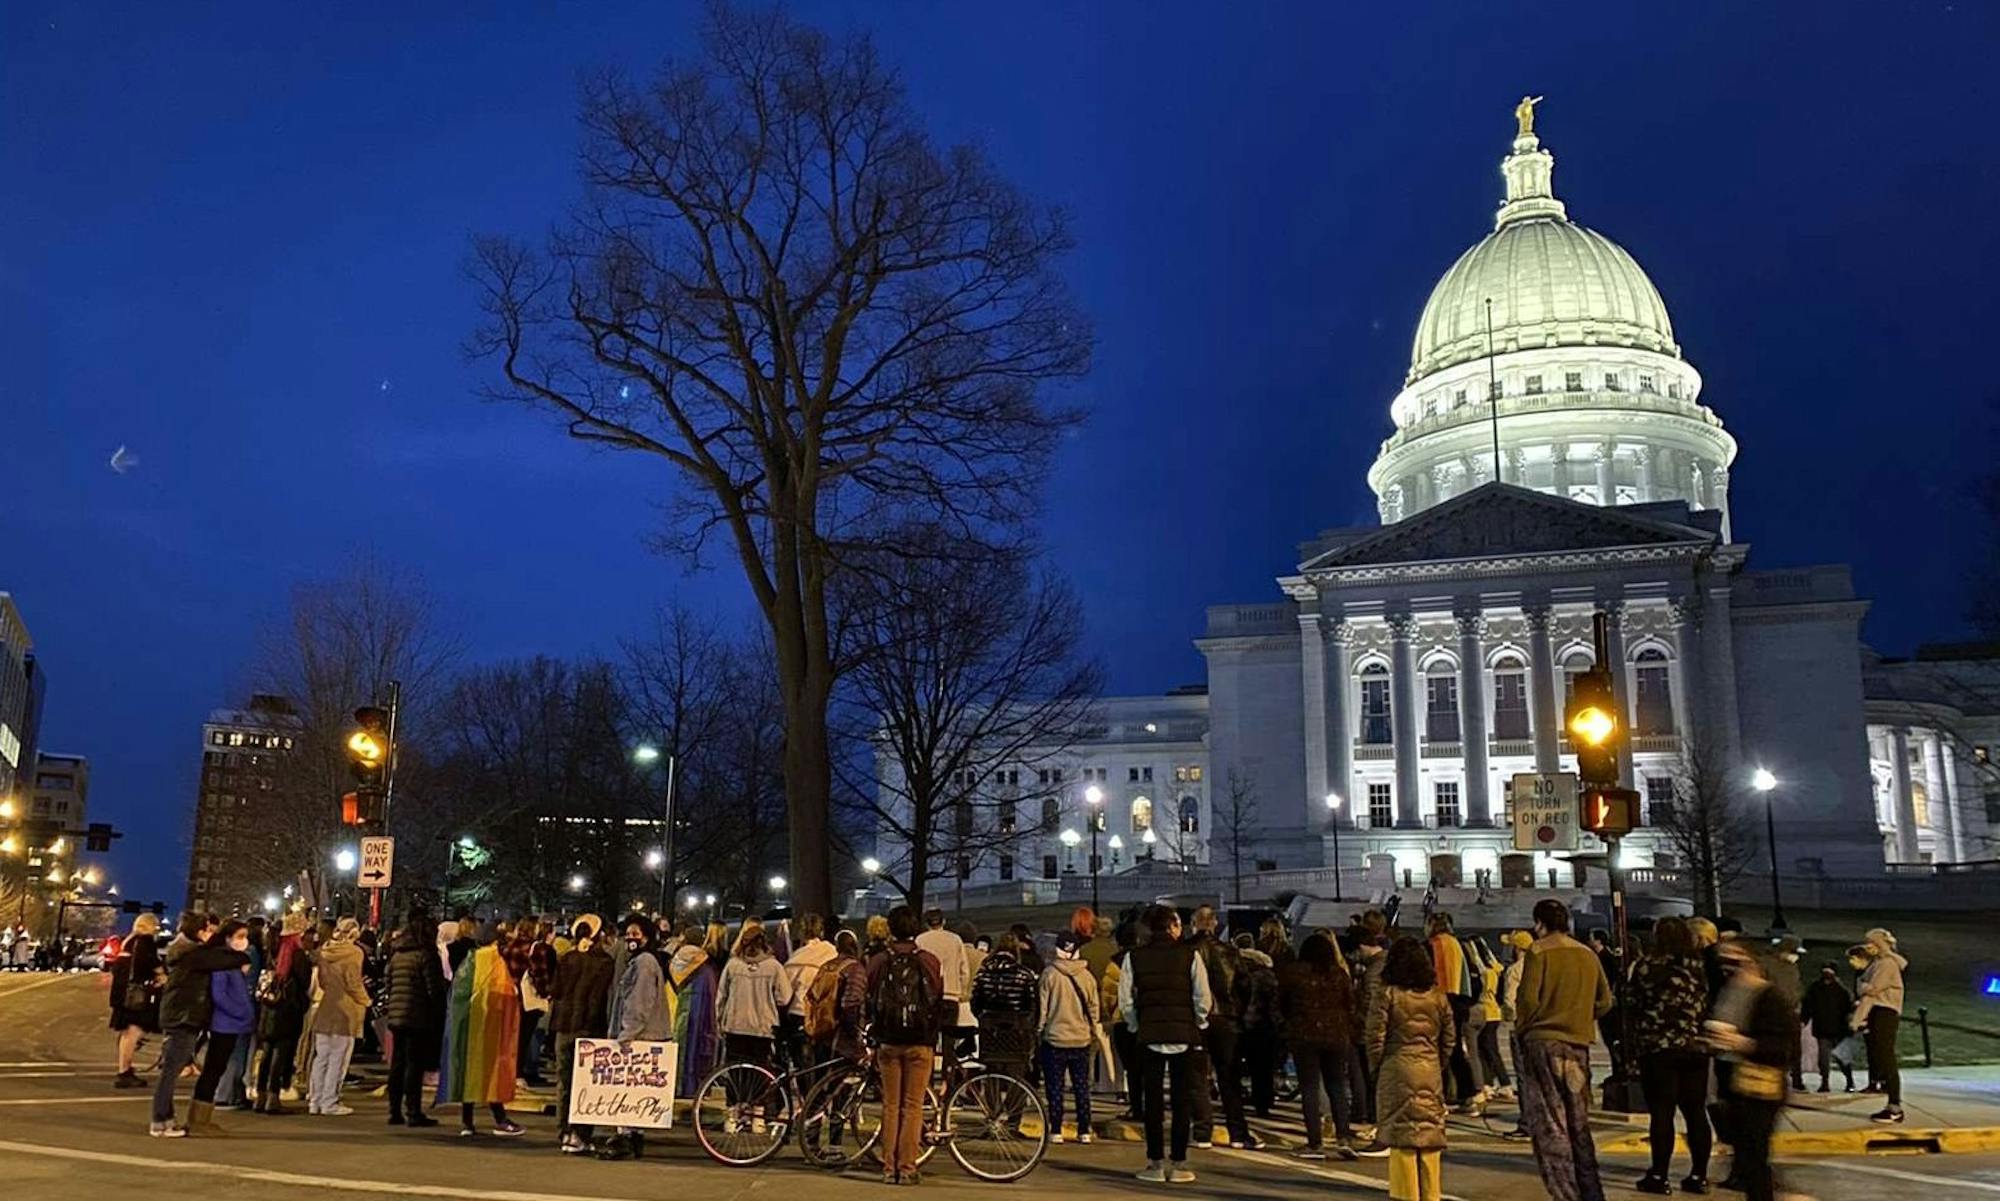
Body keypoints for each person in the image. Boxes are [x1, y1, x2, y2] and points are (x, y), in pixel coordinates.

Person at [1513, 898, 1613, 1201]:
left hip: (1543, 1042)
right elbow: (1605, 1001)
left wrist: (1524, 1026)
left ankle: (1566, 1193)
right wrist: (1580, 1015)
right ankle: (1591, 1191)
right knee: (1579, 1123)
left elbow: (1528, 1000)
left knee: (1551, 1124)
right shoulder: (1586, 954)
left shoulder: (1539, 951)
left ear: (1539, 923)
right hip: (1578, 1045)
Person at [1120, 903, 1210, 1184]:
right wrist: (1198, 1022)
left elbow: (1126, 1001)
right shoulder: (1190, 955)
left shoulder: (1133, 957)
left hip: (1150, 1033)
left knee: (1153, 1102)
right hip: (1183, 1033)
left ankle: (1155, 1161)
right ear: (1172, 926)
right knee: (1182, 1101)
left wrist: (1137, 1025)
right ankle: (1179, 1162)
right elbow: (1202, 996)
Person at [1623, 916, 1713, 1196]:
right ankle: (1699, 1174)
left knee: (1662, 1112)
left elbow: (1631, 1002)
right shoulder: (1699, 966)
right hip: (1694, 1046)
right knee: (1695, 1111)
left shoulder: (1648, 965)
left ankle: (1659, 1174)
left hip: (1658, 1047)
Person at [1704, 940, 1799, 1201]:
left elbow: (1783, 1047)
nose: (1729, 966)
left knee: (1754, 1156)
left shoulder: (1769, 998)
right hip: (1732, 1083)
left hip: (1760, 1086)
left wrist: (1742, 1043)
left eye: (1736, 959)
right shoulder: (1728, 992)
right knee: (1746, 1155)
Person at [1367, 936, 1453, 1201]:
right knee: (1429, 1136)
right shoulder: (1438, 996)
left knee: (1402, 1140)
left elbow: (1375, 1037)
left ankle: (1406, 1195)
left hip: (1396, 1066)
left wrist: (1377, 1068)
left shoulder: (1387, 993)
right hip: (1429, 1066)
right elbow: (1449, 1037)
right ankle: (1431, 1194)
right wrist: (1436, 1061)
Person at [866, 905, 945, 1187]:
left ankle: (889, 1167)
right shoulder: (929, 960)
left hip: (888, 1040)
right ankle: (908, 1167)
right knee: (913, 1106)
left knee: (890, 1105)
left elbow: (870, 995)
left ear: (891, 929)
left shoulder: (877, 961)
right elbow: (937, 996)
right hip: (919, 1041)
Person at [150, 915, 250, 1137]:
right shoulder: (192, 954)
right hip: (183, 1017)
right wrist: (241, 958)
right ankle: (160, 1121)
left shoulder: (190, 952)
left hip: (185, 1016)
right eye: (208, 930)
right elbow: (219, 962)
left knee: (172, 1070)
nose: (211, 934)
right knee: (171, 1071)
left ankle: (165, 1119)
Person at [1282, 931, 1362, 1161]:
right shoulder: (1339, 975)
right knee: (1337, 1086)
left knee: (1309, 1087)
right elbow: (1351, 1004)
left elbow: (1284, 1002)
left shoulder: (1295, 974)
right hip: (1337, 1035)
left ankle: (1314, 1142)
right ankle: (1344, 1137)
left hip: (1304, 1035)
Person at [440, 918, 524, 1137]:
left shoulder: (470, 960)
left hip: (469, 1027)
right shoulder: (496, 962)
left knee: (470, 1071)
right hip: (492, 1027)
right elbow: (505, 994)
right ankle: (501, 1119)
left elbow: (458, 993)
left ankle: (467, 1123)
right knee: (492, 1071)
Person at [1184, 904, 1258, 1150]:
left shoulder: (1185, 951)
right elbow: (1245, 985)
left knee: (1197, 1078)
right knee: (1229, 1078)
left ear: (1194, 924)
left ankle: (1202, 1131)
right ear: (1215, 924)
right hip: (1226, 1018)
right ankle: (1238, 1131)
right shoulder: (1229, 952)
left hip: (1195, 1019)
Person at [598, 914, 671, 1160]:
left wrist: (625, 1034)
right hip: (646, 1033)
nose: (630, 937)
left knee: (628, 1088)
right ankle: (633, 1137)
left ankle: (626, 1137)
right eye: (627, 933)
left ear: (646, 937)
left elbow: (639, 1003)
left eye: (635, 933)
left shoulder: (644, 963)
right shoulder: (643, 961)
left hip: (640, 1036)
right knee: (637, 1091)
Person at [549, 914, 613, 1153]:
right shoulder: (604, 962)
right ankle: (580, 1133)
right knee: (585, 1083)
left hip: (563, 1026)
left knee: (564, 1081)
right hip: (588, 1028)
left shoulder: (567, 958)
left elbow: (554, 989)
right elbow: (598, 999)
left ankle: (564, 1131)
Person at [187, 920, 256, 1135]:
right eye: (239, 936)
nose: (243, 941)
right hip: (225, 1024)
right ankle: (199, 1120)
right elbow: (221, 996)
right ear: (228, 937)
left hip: (232, 1023)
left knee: (216, 1069)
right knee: (213, 1070)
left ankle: (201, 1117)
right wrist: (241, 1012)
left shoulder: (229, 962)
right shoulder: (221, 963)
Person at [382, 915, 447, 1128]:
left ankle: (394, 1110)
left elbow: (389, 983)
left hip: (397, 1014)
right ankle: (413, 1110)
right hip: (418, 1015)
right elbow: (434, 989)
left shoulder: (398, 954)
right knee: (414, 1065)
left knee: (398, 1064)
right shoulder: (426, 955)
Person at [970, 930, 1040, 1124]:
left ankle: (992, 1114)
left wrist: (984, 1017)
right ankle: (1013, 1117)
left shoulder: (984, 972)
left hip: (990, 1030)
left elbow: (975, 1002)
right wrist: (1031, 1029)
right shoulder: (1023, 974)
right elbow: (1032, 1006)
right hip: (1016, 1031)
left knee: (991, 1074)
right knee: (1018, 1076)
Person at [1039, 929, 1100, 1144]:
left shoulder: (1050, 975)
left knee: (1055, 1088)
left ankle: (1056, 1129)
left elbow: (1043, 1010)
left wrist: (1039, 1031)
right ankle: (1084, 1129)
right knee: (1081, 1086)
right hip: (1081, 1039)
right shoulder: (1087, 976)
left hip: (1055, 1038)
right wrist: (1093, 1030)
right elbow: (1094, 1008)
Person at [306, 917, 370, 1117]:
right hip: (346, 1011)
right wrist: (366, 1001)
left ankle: (315, 1100)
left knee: (321, 1057)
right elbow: (353, 982)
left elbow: (323, 982)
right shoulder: (354, 953)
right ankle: (330, 1101)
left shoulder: (325, 951)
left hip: (326, 1007)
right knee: (338, 1059)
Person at [253, 912, 312, 1114]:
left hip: (269, 1008)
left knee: (266, 1054)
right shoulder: (297, 954)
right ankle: (273, 1096)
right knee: (281, 1054)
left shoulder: (273, 951)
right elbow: (305, 982)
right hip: (287, 1009)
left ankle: (260, 1095)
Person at [717, 920, 794, 1069]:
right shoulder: (774, 967)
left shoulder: (733, 965)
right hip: (762, 1028)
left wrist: (720, 1021)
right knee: (759, 1072)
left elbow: (721, 997)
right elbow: (784, 998)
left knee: (736, 1071)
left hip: (735, 1026)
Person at [1852, 927, 1907, 1124]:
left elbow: (1872, 990)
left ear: (1880, 945)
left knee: (1886, 1057)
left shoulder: (1887, 965)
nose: (1867, 947)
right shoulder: (1878, 964)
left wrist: (1863, 986)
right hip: (1879, 1012)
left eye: (1871, 943)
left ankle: (1895, 1107)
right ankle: (1890, 1101)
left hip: (1885, 1012)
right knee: (1881, 1056)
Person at [1425, 913, 1478, 1111]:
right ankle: (1468, 1093)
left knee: (1438, 1050)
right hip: (1460, 1002)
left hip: (1440, 1001)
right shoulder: (1459, 945)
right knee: (1455, 1050)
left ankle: (1443, 1094)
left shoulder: (1431, 945)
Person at [669, 921, 725, 1099]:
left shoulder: (674, 962)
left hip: (677, 1015)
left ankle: (675, 1086)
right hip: (699, 1017)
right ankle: (692, 1088)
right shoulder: (705, 967)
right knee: (697, 1050)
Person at [110, 912, 163, 1089]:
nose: (157, 929)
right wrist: (161, 975)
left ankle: (124, 1068)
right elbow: (149, 964)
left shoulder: (129, 941)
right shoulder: (146, 942)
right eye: (155, 925)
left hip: (122, 993)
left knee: (127, 1034)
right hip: (136, 996)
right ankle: (125, 1071)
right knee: (133, 1032)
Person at [1234, 932, 1282, 1119]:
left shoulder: (1235, 971)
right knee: (1263, 1068)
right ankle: (1263, 1102)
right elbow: (1274, 1002)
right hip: (1264, 1025)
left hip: (1240, 1024)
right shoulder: (1266, 973)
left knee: (1233, 1068)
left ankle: (1236, 1101)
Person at [781, 913, 836, 1071]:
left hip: (798, 1013)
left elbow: (785, 991)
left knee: (801, 1063)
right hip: (823, 1014)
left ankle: (805, 1093)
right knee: (822, 1061)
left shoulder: (795, 960)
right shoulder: (832, 954)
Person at [916, 908, 970, 1058]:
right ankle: (949, 1075)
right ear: (943, 922)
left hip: (928, 998)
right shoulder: (955, 940)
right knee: (949, 1042)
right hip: (951, 995)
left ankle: (929, 1076)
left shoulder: (920, 940)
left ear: (926, 923)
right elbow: (964, 970)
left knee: (928, 1042)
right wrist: (962, 991)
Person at [1498, 928, 1534, 1143]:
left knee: (1524, 1077)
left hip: (1520, 1028)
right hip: (1538, 1027)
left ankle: (1527, 1123)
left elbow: (1510, 1003)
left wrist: (1507, 1017)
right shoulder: (1540, 966)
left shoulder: (1515, 970)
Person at [1801, 962, 1856, 1093]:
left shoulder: (1841, 990)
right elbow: (1808, 1006)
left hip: (1840, 1030)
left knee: (1843, 1059)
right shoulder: (1815, 988)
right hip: (1823, 1030)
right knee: (1823, 1060)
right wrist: (1803, 1020)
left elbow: (1849, 1009)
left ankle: (1849, 1081)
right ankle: (1825, 1083)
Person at [1467, 937, 1511, 1098]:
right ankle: (1493, 1082)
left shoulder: (1482, 971)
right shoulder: (1495, 968)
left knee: (1485, 1050)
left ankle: (1498, 1082)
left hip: (1485, 1010)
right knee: (1490, 1049)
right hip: (1495, 1011)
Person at [518, 919, 557, 1087]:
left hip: (515, 996)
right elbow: (539, 972)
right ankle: (526, 1070)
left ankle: (518, 1071)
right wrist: (545, 993)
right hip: (531, 998)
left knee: (519, 1036)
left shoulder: (512, 945)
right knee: (531, 1034)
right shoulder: (538, 948)